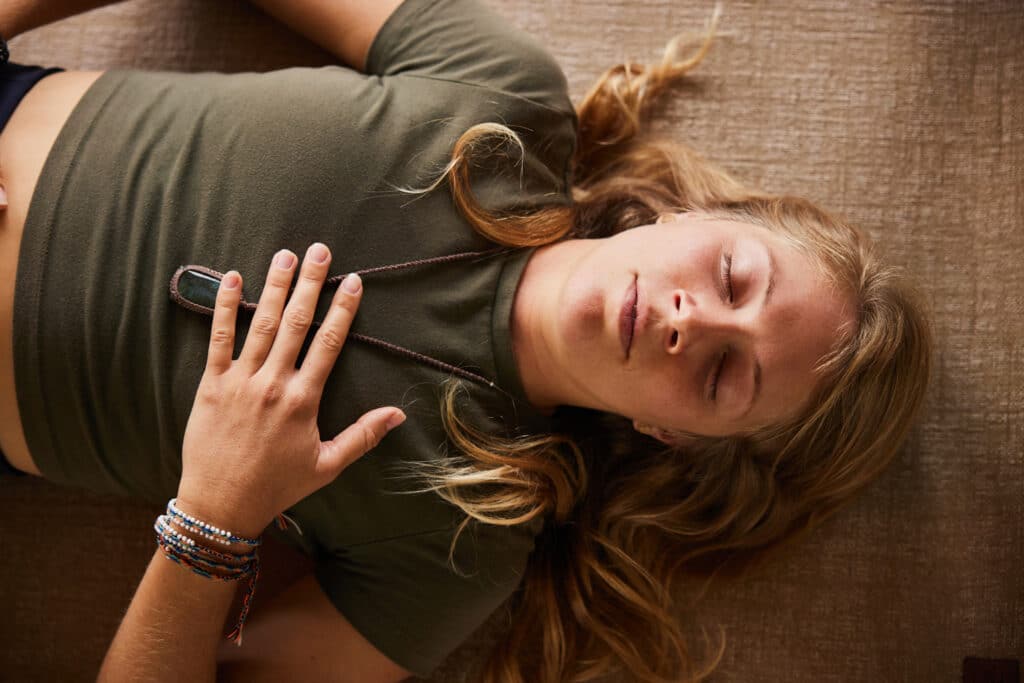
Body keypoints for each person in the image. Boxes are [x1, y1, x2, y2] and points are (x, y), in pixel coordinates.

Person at [0, 0, 932, 681]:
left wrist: (215, 514)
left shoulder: (465, 538)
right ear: (694, 214)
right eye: (732, 276)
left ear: (678, 436)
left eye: (727, 375)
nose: (694, 322)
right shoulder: (501, 102)